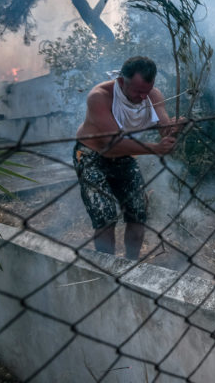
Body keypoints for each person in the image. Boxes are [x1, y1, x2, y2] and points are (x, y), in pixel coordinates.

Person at [73, 56, 180, 259]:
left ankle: (131, 264)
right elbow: (111, 143)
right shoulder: (99, 97)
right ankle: (107, 267)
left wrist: (174, 131)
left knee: (138, 212)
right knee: (105, 216)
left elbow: (165, 130)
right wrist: (155, 148)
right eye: (137, 91)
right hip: (90, 155)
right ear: (122, 81)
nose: (142, 97)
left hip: (123, 155)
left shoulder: (153, 96)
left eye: (146, 91)